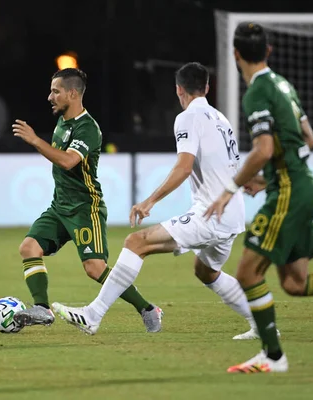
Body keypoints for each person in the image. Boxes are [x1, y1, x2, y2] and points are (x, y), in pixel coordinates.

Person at [201, 22, 313, 373]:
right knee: (295, 283)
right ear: (268, 51)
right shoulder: (284, 85)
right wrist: (270, 179)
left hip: (288, 190)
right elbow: (307, 138)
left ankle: (273, 356)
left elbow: (264, 148)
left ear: (236, 54)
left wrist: (232, 187)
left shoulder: (256, 93)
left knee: (248, 273)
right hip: (300, 185)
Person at [51, 62, 270, 340]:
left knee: (135, 242)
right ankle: (260, 322)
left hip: (212, 214)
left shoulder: (188, 117)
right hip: (233, 214)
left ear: (179, 90)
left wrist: (150, 201)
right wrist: (257, 182)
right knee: (206, 271)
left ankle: (93, 315)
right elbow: (230, 164)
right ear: (207, 87)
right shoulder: (221, 119)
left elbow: (184, 167)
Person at [11, 68, 163, 332]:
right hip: (59, 206)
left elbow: (69, 161)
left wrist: (36, 140)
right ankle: (42, 309)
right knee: (28, 247)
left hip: (85, 207)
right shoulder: (62, 122)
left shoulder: (88, 128)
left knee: (95, 268)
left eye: (55, 91)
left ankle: (148, 308)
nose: (50, 97)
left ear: (72, 93)